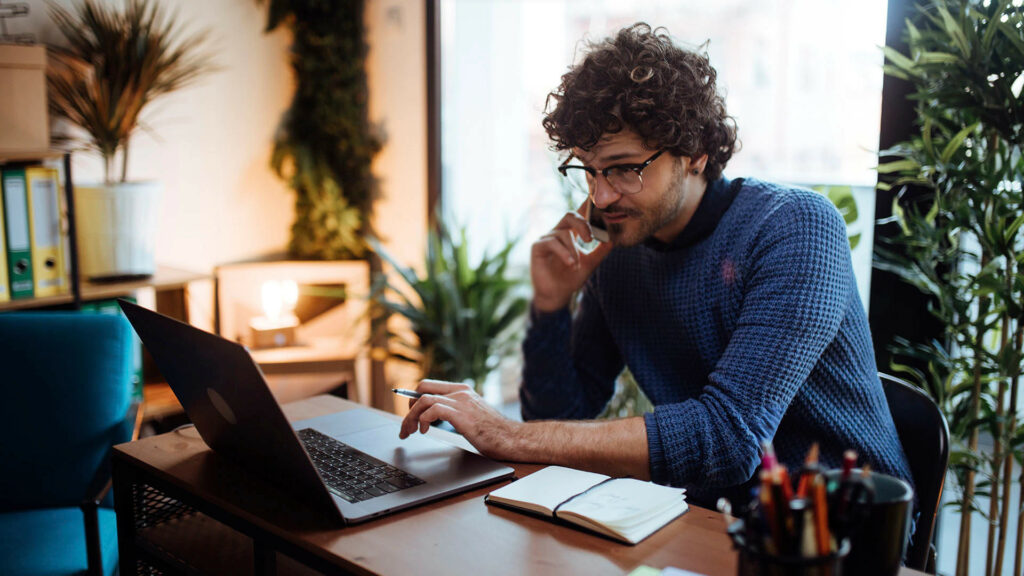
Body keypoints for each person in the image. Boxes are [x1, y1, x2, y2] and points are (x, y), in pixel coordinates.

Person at [398, 22, 912, 507]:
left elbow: (729, 438)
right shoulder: (618, 248)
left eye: (623, 169)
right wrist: (551, 306)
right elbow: (560, 422)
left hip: (847, 525)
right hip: (709, 519)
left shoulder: (794, 227)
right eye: (588, 170)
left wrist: (505, 432)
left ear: (695, 152)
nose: (600, 196)